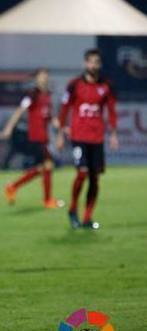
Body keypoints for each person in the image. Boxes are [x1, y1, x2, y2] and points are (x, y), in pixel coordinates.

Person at [57, 49, 118, 230]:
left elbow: (112, 110)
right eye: (90, 62)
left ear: (100, 64)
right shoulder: (74, 85)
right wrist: (61, 133)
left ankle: (87, 218)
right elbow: (64, 107)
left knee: (95, 179)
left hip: (97, 138)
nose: (93, 65)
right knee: (82, 172)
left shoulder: (106, 86)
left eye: (96, 62)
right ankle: (73, 209)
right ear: (85, 64)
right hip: (79, 137)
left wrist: (113, 133)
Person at [2, 68, 63, 207]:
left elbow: (51, 116)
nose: (43, 79)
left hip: (44, 137)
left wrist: (60, 125)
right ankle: (47, 200)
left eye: (45, 77)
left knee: (41, 169)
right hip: (35, 138)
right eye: (41, 77)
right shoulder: (32, 95)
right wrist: (9, 127)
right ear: (36, 79)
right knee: (48, 165)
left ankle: (13, 186)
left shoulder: (48, 96)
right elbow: (19, 111)